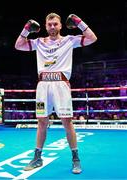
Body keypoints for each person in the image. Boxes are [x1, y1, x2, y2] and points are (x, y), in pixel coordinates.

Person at [15, 12, 97, 174]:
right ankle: (37, 157)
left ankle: (75, 159)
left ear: (60, 26)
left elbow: (92, 38)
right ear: (45, 26)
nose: (52, 27)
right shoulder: (38, 42)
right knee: (42, 122)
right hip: (42, 87)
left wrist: (79, 22)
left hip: (61, 85)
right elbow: (18, 45)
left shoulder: (69, 40)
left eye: (55, 24)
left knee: (67, 122)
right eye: (49, 24)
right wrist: (26, 29)